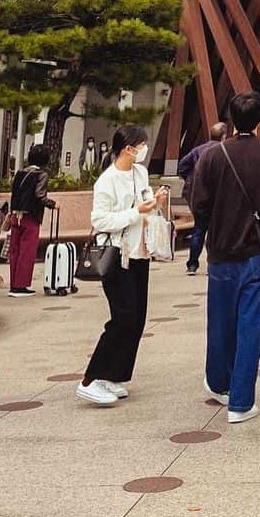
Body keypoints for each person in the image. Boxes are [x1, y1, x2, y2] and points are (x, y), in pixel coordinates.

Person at [190, 91, 260, 424]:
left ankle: (219, 382)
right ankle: (241, 402)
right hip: (259, 253)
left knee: (220, 319)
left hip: (222, 250)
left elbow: (199, 204)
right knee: (251, 323)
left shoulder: (213, 155)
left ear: (231, 119)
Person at [77, 127, 167, 407]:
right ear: (128, 148)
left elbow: (144, 204)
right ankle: (90, 379)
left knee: (137, 317)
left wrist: (154, 203)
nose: (144, 149)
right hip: (117, 255)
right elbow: (101, 220)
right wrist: (135, 212)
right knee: (122, 317)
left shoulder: (139, 173)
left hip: (139, 253)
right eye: (141, 145)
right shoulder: (107, 181)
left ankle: (114, 375)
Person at [178, 122, 227, 275]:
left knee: (199, 230)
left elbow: (182, 166)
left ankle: (192, 264)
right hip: (216, 197)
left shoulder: (198, 150)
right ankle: (212, 263)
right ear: (224, 136)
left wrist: (190, 180)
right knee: (215, 231)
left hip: (198, 197)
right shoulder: (224, 151)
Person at [8, 144, 56, 296]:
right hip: (30, 217)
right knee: (27, 251)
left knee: (15, 251)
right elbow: (40, 195)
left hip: (16, 215)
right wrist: (52, 204)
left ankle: (13, 284)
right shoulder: (41, 174)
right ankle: (21, 286)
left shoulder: (20, 173)